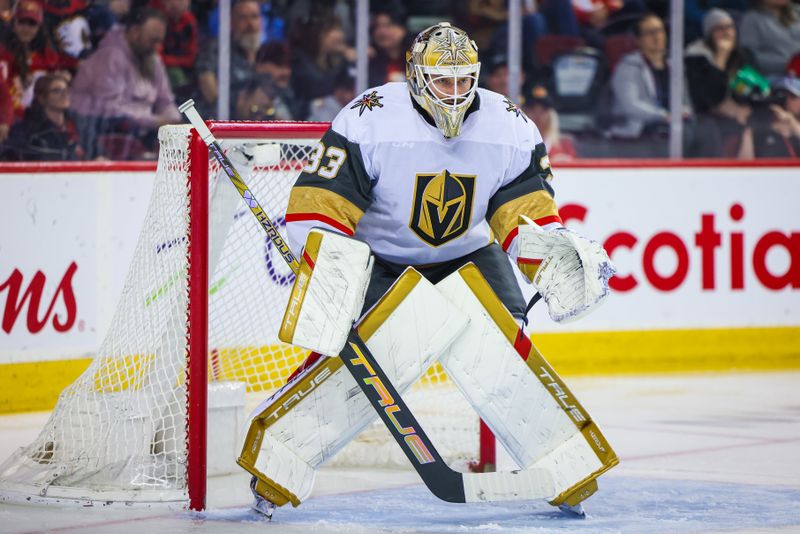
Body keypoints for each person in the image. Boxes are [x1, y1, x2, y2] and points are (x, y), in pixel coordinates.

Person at [241, 22, 617, 520]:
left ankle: (563, 466)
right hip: (383, 257)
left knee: (506, 351)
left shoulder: (509, 126)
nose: (457, 93)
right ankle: (278, 462)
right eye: (444, 81)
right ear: (417, 76)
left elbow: (522, 214)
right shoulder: (369, 117)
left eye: (466, 81)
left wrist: (548, 258)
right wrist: (330, 265)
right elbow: (321, 203)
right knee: (358, 358)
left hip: (469, 253)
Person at [70, 7, 180, 158]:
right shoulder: (110, 56)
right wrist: (155, 121)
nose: (157, 47)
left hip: (141, 129)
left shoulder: (151, 57)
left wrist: (173, 120)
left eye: (160, 41)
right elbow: (111, 109)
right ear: (135, 32)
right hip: (98, 129)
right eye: (153, 40)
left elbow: (165, 100)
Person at [608, 12, 691, 138]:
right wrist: (663, 116)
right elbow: (631, 106)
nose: (657, 37)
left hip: (670, 129)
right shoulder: (627, 66)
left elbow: (685, 101)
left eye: (660, 31)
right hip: (636, 134)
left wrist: (684, 112)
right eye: (650, 33)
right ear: (638, 40)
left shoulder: (674, 66)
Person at [685, 8, 754, 158]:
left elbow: (751, 89)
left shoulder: (741, 56)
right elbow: (709, 97)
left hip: (734, 113)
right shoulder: (696, 57)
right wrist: (721, 57)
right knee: (712, 128)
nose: (726, 33)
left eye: (729, 27)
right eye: (719, 28)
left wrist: (742, 108)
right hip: (704, 116)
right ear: (709, 34)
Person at [0, 0, 66, 119]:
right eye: (22, 22)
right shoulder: (4, 55)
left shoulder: (47, 57)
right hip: (10, 120)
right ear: (13, 23)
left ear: (39, 27)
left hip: (39, 121)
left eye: (32, 23)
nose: (26, 28)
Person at [195, 0, 262, 118]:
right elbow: (209, 90)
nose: (250, 24)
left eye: (254, 17)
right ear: (231, 21)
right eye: (243, 18)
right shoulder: (218, 49)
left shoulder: (266, 53)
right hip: (223, 121)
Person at [2, 73, 84, 160]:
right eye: (57, 91)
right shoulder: (27, 130)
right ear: (42, 98)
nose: (64, 94)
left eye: (67, 90)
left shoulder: (77, 126)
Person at [739, 0, 800, 77]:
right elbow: (750, 57)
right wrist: (788, 64)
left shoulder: (797, 13)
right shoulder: (752, 19)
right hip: (776, 76)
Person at [521, 84, 577, 161]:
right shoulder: (517, 145)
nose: (538, 115)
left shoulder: (565, 145)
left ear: (551, 115)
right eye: (532, 109)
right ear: (524, 113)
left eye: (543, 110)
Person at [748, 76, 800, 158]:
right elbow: (744, 165)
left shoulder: (795, 127)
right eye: (781, 96)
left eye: (793, 97)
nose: (786, 101)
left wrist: (791, 120)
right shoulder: (763, 128)